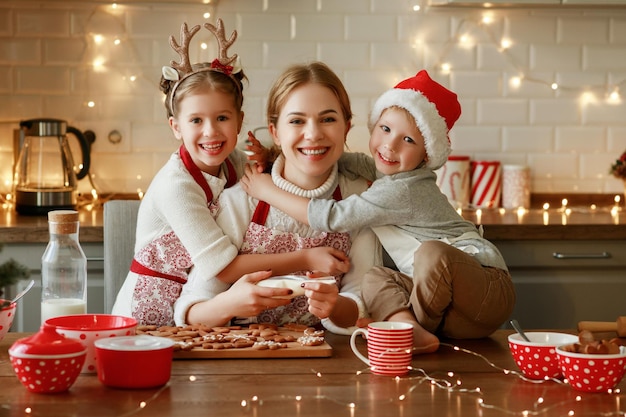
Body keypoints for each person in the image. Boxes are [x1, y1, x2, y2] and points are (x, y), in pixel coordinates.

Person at [241, 70, 516, 352]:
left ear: (426, 155)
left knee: (433, 254)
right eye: (385, 129)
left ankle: (405, 329)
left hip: (483, 288)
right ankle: (410, 331)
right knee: (375, 279)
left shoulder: (404, 188)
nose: (390, 145)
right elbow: (336, 156)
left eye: (408, 140)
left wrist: (267, 191)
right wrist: (278, 153)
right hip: (452, 313)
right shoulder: (389, 170)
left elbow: (332, 217)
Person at [111, 22, 349, 327]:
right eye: (196, 120)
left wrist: (268, 156)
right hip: (147, 309)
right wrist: (305, 258)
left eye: (222, 117)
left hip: (197, 305)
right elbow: (222, 269)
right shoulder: (177, 186)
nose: (211, 131)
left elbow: (287, 156)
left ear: (239, 121)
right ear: (175, 126)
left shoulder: (231, 161)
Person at [175, 61, 381, 334]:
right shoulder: (241, 202)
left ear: (347, 126)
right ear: (275, 132)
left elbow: (361, 302)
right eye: (297, 121)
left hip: (327, 365)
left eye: (328, 119)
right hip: (239, 367)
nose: (313, 134)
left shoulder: (360, 201)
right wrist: (229, 304)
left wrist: (334, 304)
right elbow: (191, 313)